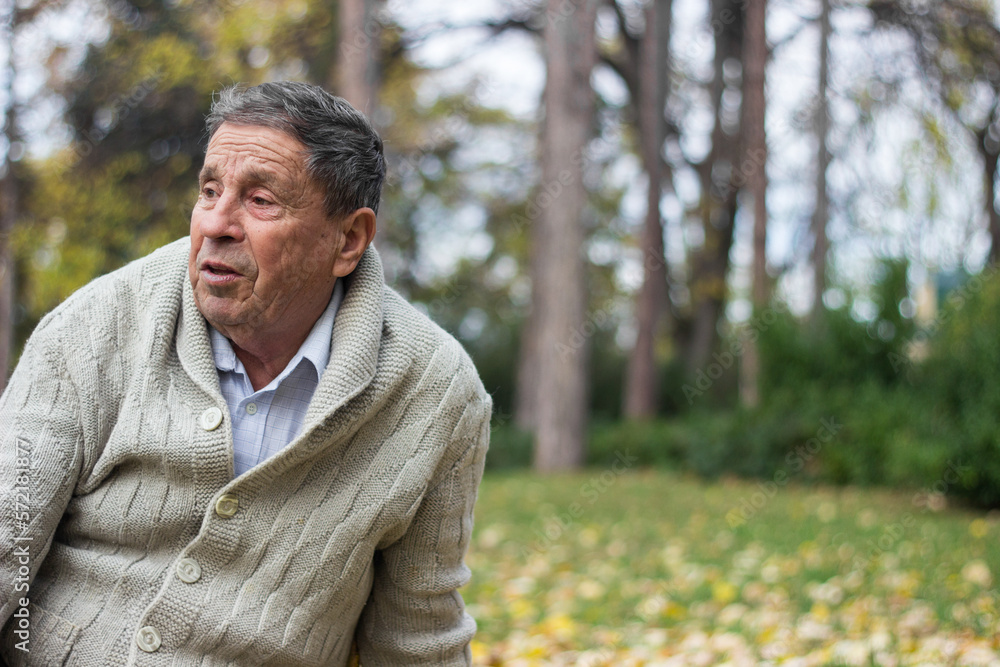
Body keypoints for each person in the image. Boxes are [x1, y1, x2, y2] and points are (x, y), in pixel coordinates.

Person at [0, 81, 491, 666]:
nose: (217, 224)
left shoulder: (435, 393)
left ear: (348, 240)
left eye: (260, 200)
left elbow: (416, 638)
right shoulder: (95, 325)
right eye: (210, 191)